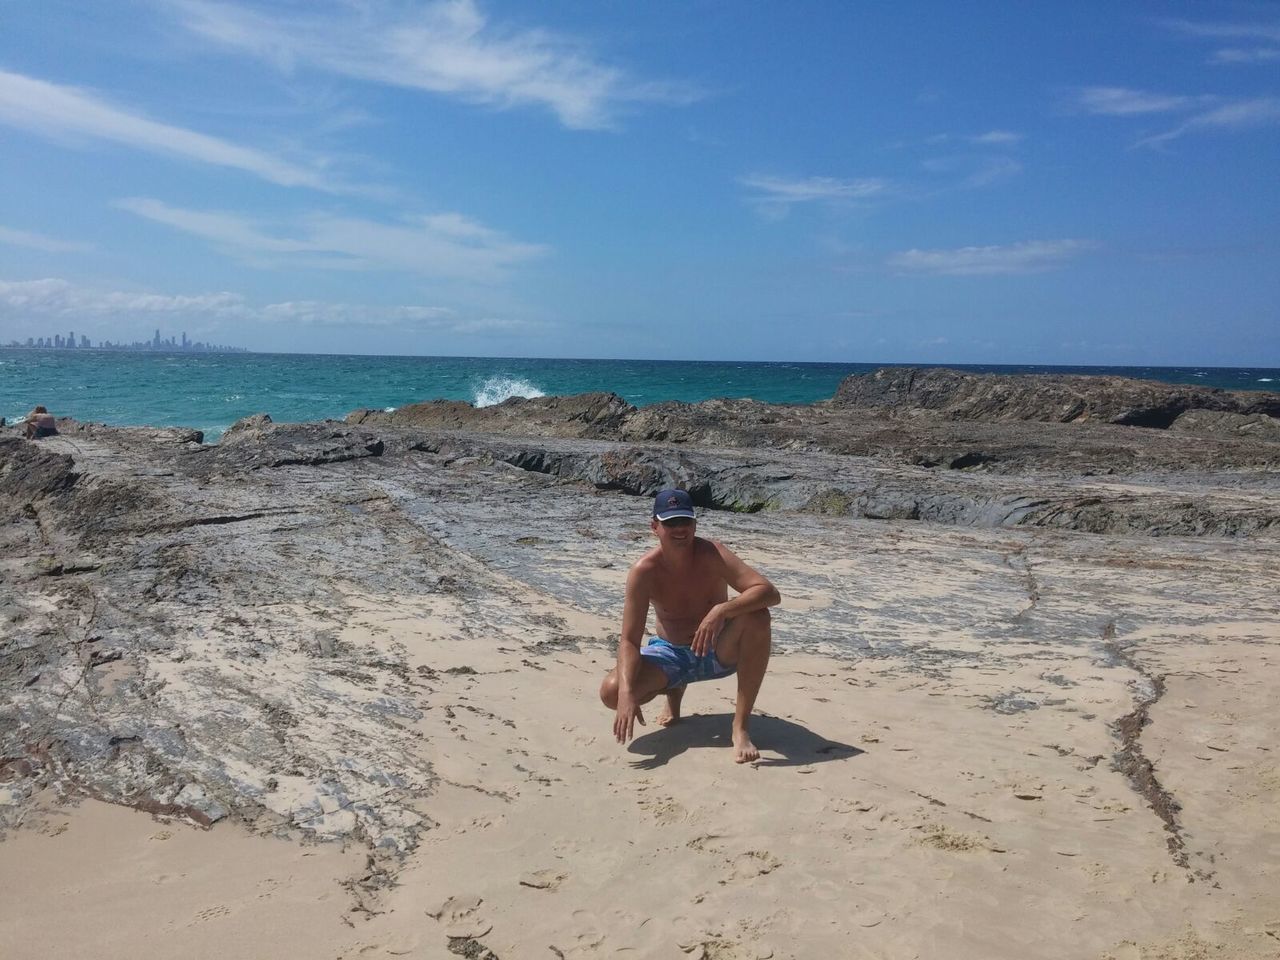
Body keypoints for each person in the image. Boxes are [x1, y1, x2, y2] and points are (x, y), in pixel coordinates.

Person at [599, 488, 780, 763]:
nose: (679, 529)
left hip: (717, 648)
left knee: (757, 616)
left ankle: (740, 726)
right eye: (670, 523)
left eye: (685, 521)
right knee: (611, 691)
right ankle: (674, 691)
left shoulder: (713, 553)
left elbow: (769, 592)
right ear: (654, 527)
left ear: (695, 524)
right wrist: (626, 692)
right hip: (670, 654)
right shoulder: (644, 571)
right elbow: (629, 640)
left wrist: (721, 610)